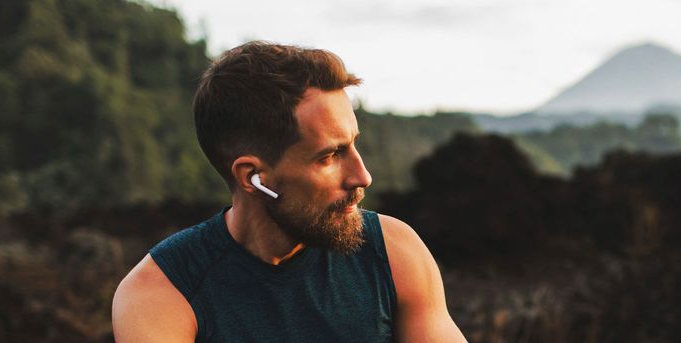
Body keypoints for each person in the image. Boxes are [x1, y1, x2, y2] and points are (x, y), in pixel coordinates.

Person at [111, 41, 466, 342]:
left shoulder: (395, 253)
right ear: (253, 178)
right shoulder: (161, 295)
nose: (362, 176)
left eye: (354, 145)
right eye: (330, 156)